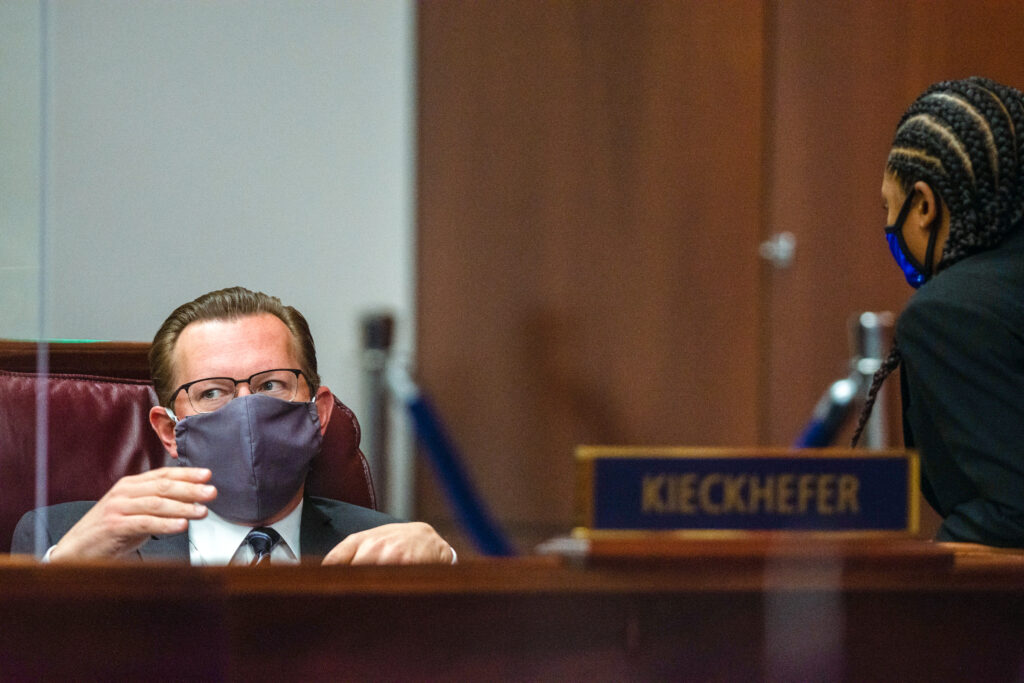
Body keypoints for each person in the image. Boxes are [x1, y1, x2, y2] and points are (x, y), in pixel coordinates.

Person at [12, 287, 455, 565]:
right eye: (212, 393)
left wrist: (448, 573)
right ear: (169, 431)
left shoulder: (388, 550)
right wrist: (64, 573)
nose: (246, 410)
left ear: (318, 413)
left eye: (271, 384)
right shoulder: (62, 538)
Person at [851, 77, 1024, 547]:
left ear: (924, 205)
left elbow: (1011, 514)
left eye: (890, 206)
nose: (889, 225)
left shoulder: (950, 313)